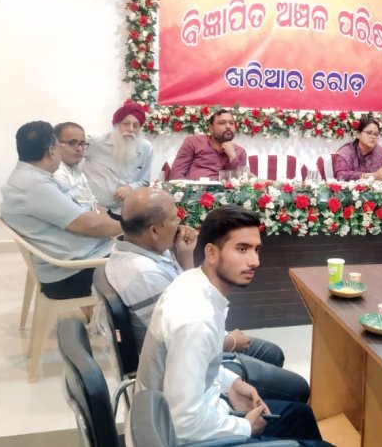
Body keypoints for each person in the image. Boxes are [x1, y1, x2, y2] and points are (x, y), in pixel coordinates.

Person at [137, 205, 330, 445]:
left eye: (256, 250)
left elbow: (200, 365)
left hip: (204, 411)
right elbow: (183, 422)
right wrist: (246, 427)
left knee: (301, 415)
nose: (254, 261)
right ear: (211, 252)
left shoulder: (192, 283)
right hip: (186, 436)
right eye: (242, 249)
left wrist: (232, 384)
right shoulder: (196, 320)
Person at [108, 188, 310, 402]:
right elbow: (180, 341)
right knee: (296, 388)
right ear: (155, 230)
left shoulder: (145, 249)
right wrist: (230, 341)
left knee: (272, 353)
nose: (180, 223)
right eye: (174, 218)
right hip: (181, 365)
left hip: (195, 342)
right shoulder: (143, 274)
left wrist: (185, 253)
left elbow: (187, 294)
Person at [0, 121, 121, 300]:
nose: (78, 149)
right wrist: (131, 228)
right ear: (51, 151)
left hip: (76, 259)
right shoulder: (36, 186)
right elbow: (91, 225)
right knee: (146, 263)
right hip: (70, 273)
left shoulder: (28, 177)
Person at [83, 101, 154, 216]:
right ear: (116, 124)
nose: (130, 129)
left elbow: (145, 181)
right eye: (126, 124)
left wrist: (131, 187)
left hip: (123, 211)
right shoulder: (96, 142)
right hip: (91, 209)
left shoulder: (146, 148)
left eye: (135, 125)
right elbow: (68, 152)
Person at [170, 108, 247, 181]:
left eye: (231, 123)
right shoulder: (194, 142)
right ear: (211, 129)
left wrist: (232, 156)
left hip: (224, 190)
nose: (228, 127)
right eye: (222, 123)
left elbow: (239, 183)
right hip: (194, 189)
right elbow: (176, 175)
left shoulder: (240, 152)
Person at [52, 122, 99, 212]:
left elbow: (92, 203)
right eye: (72, 143)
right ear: (56, 144)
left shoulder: (76, 169)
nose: (79, 148)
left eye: (82, 144)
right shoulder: (56, 173)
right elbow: (72, 215)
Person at [332, 117, 382, 181]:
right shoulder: (346, 152)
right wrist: (372, 176)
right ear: (358, 134)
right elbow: (341, 175)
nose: (373, 137)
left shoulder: (380, 152)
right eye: (369, 133)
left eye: (376, 134)